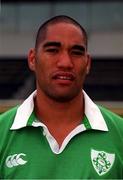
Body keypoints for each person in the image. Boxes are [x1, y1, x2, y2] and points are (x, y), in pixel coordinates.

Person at [0, 15, 123, 179]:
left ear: (87, 64)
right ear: (32, 59)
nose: (65, 62)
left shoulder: (120, 134)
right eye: (52, 50)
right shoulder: (2, 133)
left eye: (76, 52)